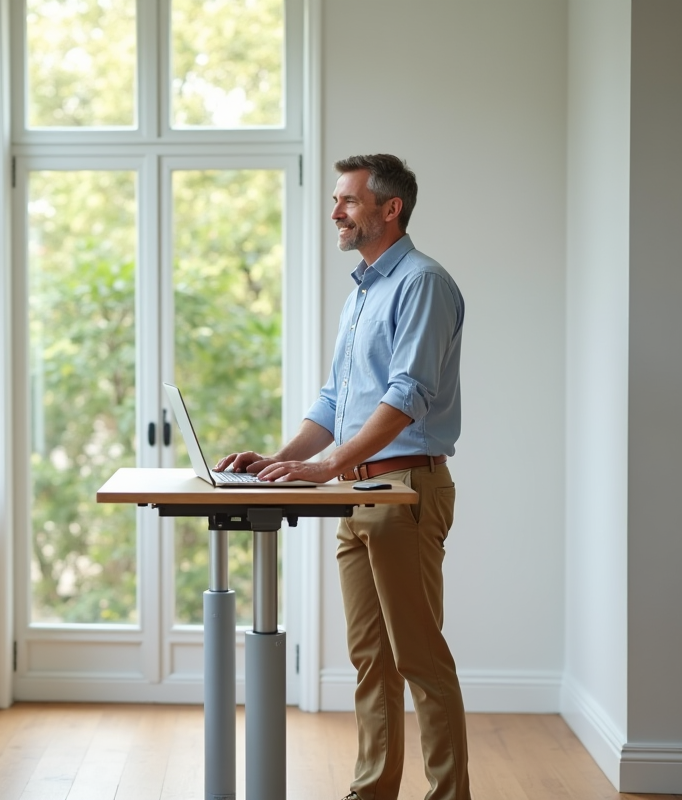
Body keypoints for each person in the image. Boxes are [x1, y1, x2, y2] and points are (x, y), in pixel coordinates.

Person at [216, 154, 469, 800]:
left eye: (348, 201)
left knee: (418, 657)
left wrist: (325, 466)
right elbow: (335, 401)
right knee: (370, 660)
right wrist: (277, 463)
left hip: (403, 489)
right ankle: (372, 791)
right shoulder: (363, 293)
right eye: (336, 201)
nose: (335, 213)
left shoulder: (422, 283)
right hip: (354, 496)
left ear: (391, 208)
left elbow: (408, 395)